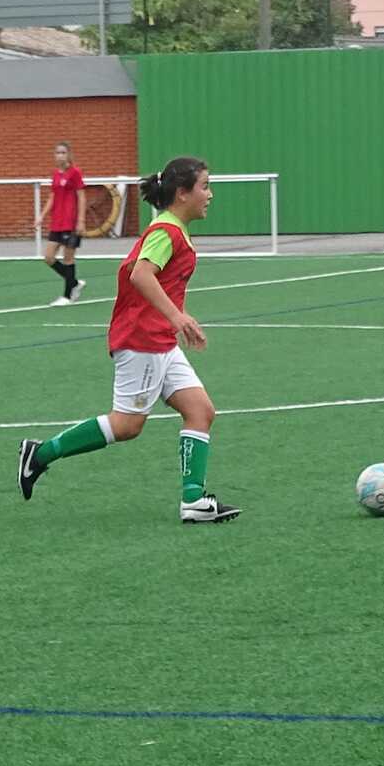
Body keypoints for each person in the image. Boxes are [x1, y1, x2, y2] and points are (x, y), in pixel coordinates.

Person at [17, 156, 240, 524]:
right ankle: (39, 455)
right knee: (127, 425)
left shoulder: (173, 230)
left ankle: (194, 501)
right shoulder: (165, 232)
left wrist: (177, 320)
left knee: (200, 411)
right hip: (142, 339)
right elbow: (141, 275)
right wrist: (177, 317)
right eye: (204, 186)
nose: (210, 194)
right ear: (182, 194)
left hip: (160, 340)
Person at [38, 141, 88, 306]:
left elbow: (81, 197)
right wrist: (41, 216)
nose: (60, 156)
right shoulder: (55, 174)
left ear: (69, 155)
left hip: (71, 222)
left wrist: (81, 220)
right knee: (48, 257)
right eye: (57, 153)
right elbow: (52, 197)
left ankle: (67, 296)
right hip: (57, 223)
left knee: (68, 258)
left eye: (63, 153)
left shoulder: (75, 173)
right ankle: (74, 282)